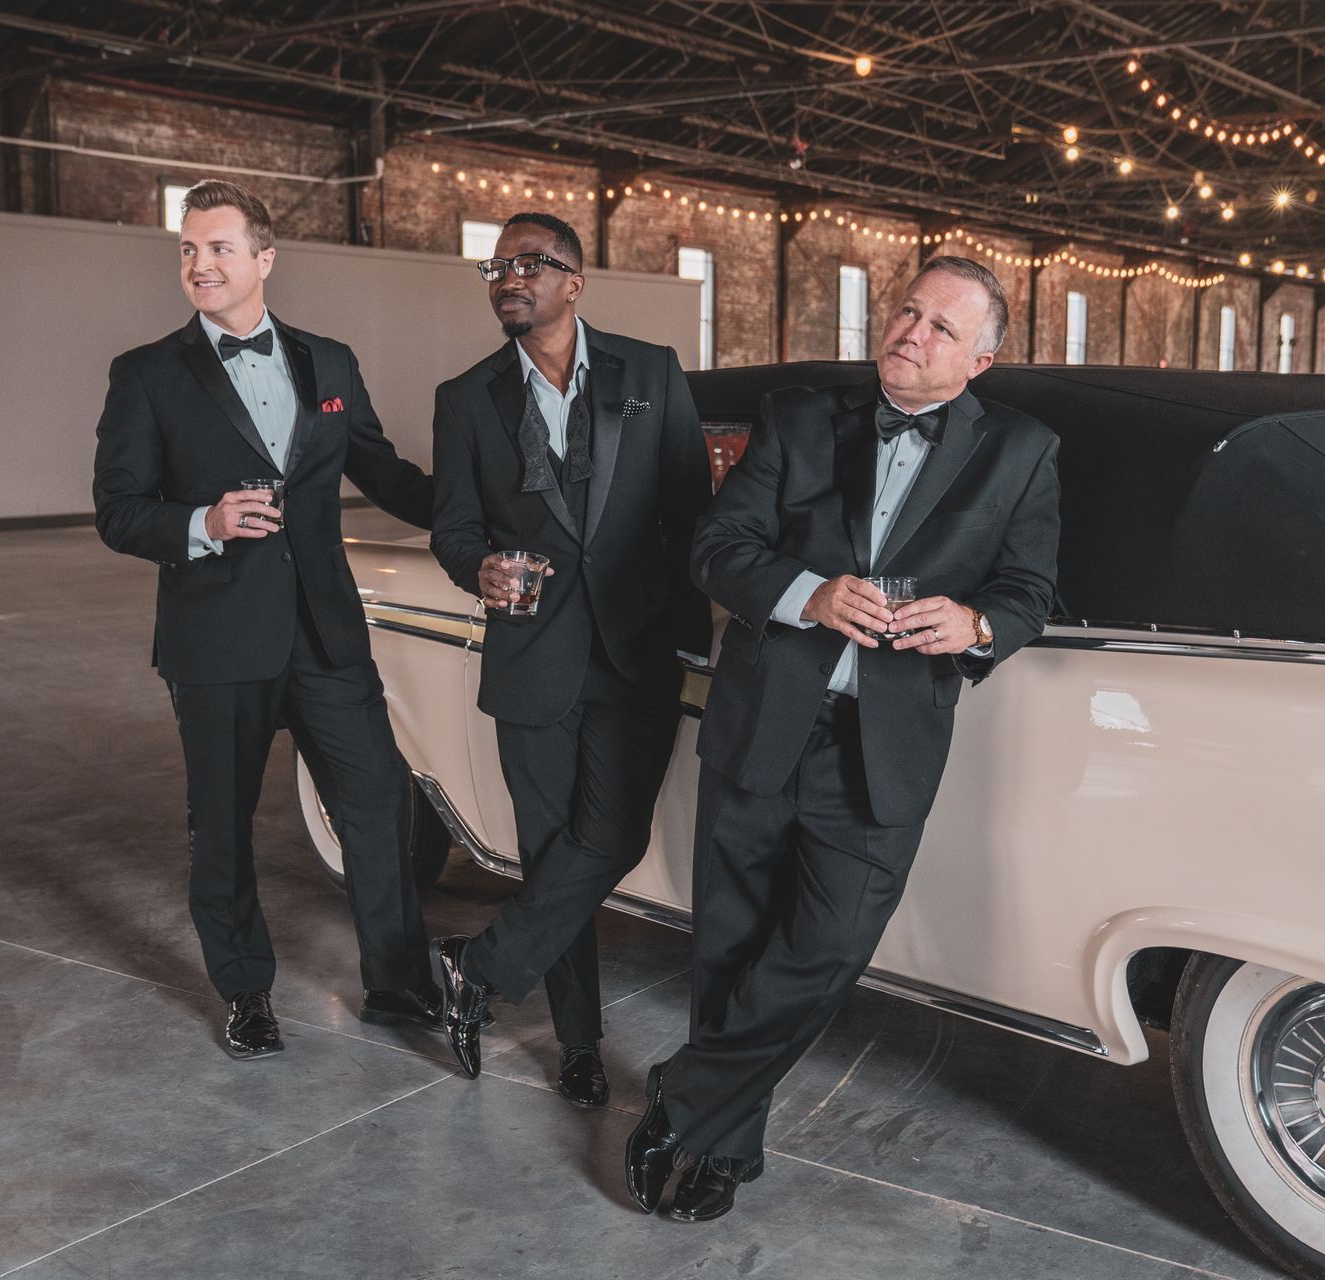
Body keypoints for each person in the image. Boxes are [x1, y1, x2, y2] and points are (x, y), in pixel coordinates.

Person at [625, 255, 1060, 1219]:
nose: (911, 332)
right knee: (731, 945)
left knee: (821, 954)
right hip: (766, 720)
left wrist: (978, 627)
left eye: (942, 327)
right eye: (908, 311)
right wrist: (806, 594)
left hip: (886, 746)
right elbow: (716, 548)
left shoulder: (1022, 451)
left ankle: (688, 1094)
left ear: (980, 361)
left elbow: (1030, 591)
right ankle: (723, 1142)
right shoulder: (799, 415)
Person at [93, 179, 439, 1059]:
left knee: (376, 804)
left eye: (217, 249)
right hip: (216, 639)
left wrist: (483, 512)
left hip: (326, 632)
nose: (199, 265)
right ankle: (246, 992)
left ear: (264, 259)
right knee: (223, 824)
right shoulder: (146, 374)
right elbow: (118, 510)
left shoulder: (329, 362)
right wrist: (203, 524)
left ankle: (397, 983)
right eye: (187, 250)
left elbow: (385, 473)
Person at [429, 211, 711, 1106]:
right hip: (532, 657)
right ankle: (579, 1045)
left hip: (634, 652)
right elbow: (455, 530)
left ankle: (476, 967)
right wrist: (478, 568)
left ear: (575, 282)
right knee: (552, 856)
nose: (509, 277)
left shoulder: (651, 371)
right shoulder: (465, 397)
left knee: (612, 838)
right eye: (497, 265)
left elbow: (691, 512)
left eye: (530, 263)